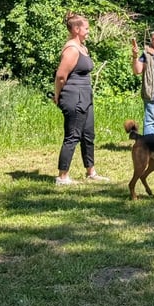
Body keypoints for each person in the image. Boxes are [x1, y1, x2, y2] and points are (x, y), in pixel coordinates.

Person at [53, 12, 109, 185]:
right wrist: (57, 96)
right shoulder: (71, 49)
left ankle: (91, 172)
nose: (88, 31)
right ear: (76, 29)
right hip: (73, 96)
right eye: (86, 28)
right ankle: (62, 177)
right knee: (73, 135)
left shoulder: (83, 47)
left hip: (85, 96)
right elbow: (61, 76)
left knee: (88, 135)